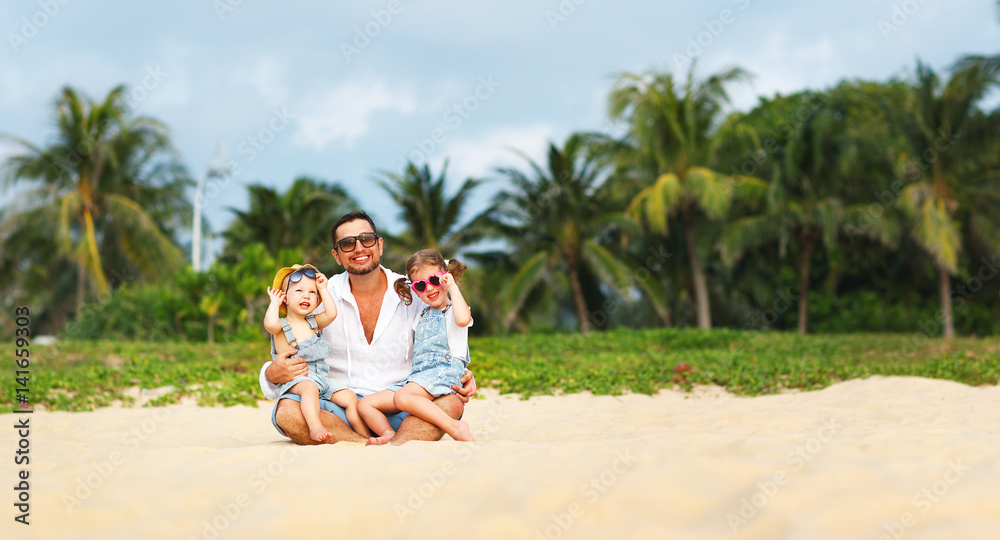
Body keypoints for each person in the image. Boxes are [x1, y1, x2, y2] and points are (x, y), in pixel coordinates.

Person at [258, 211, 477, 445]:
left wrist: (464, 373)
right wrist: (271, 373)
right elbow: (286, 341)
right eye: (347, 243)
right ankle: (368, 444)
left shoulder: (416, 290)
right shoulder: (318, 295)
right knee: (287, 412)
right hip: (339, 407)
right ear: (337, 255)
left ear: (379, 245)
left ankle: (389, 444)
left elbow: (448, 331)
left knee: (451, 403)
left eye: (367, 239)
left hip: (402, 403)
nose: (359, 248)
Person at [359, 250, 475, 444]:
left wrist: (453, 287)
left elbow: (463, 320)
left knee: (403, 398)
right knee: (366, 404)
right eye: (421, 285)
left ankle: (454, 426)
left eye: (435, 280)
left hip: (443, 371)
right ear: (415, 289)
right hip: (418, 377)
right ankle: (390, 434)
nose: (429, 288)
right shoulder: (421, 315)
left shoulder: (454, 310)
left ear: (446, 277)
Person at [263, 264, 368, 441]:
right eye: (299, 291)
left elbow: (331, 313)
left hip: (322, 378)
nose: (306, 295)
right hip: (298, 379)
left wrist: (323, 289)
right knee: (309, 388)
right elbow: (270, 325)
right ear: (285, 299)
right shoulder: (281, 325)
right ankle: (315, 426)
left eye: (312, 292)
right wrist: (274, 303)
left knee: (349, 398)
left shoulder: (312, 322)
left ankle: (364, 435)